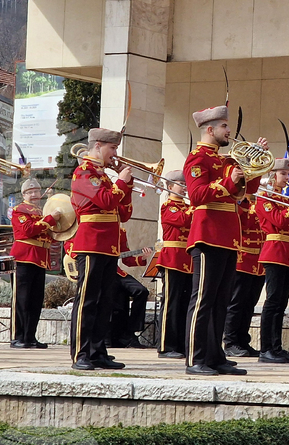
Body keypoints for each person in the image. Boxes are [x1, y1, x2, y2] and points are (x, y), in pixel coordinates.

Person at [184, 105, 263, 376]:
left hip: (229, 237)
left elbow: (247, 191)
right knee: (203, 299)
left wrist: (256, 164)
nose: (229, 131)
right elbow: (196, 196)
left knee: (220, 301)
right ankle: (196, 358)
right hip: (207, 235)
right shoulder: (198, 159)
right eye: (225, 127)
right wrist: (228, 182)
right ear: (210, 129)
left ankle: (215, 356)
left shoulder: (226, 159)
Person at [68, 127, 133, 371]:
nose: (115, 153)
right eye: (112, 148)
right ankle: (81, 353)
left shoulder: (104, 176)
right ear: (97, 146)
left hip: (108, 246)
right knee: (87, 300)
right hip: (91, 243)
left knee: (106, 301)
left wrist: (127, 185)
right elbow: (105, 201)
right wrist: (121, 182)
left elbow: (124, 213)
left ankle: (97, 351)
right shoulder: (83, 173)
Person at [256, 158, 289, 364]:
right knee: (272, 303)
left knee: (281, 304)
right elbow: (280, 220)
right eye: (283, 174)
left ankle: (277, 347)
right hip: (273, 252)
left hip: (288, 254)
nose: (287, 178)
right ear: (273, 175)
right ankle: (267, 348)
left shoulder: (282, 199)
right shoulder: (264, 197)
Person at [9, 178, 60, 349]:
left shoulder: (43, 210)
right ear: (23, 194)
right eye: (30, 192)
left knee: (35, 300)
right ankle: (18, 337)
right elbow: (28, 230)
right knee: (21, 299)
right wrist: (50, 220)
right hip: (24, 257)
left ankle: (30, 336)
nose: (34, 194)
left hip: (40, 257)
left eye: (36, 191)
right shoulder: (19, 210)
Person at [155, 170, 192, 359]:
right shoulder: (168, 206)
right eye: (181, 184)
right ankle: (166, 345)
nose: (185, 188)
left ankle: (180, 344)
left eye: (186, 185)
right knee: (171, 303)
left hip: (186, 259)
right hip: (172, 259)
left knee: (184, 304)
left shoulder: (186, 206)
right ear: (170, 187)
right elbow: (183, 220)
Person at [223, 193, 266, 358]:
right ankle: (230, 341)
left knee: (249, 304)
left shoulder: (261, 203)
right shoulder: (241, 204)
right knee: (236, 303)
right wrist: (243, 199)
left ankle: (242, 340)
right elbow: (240, 223)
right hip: (243, 259)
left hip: (258, 261)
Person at [107, 227, 152, 349]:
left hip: (117, 272)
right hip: (102, 272)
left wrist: (142, 257)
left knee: (141, 291)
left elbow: (126, 259)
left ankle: (130, 333)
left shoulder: (121, 231)